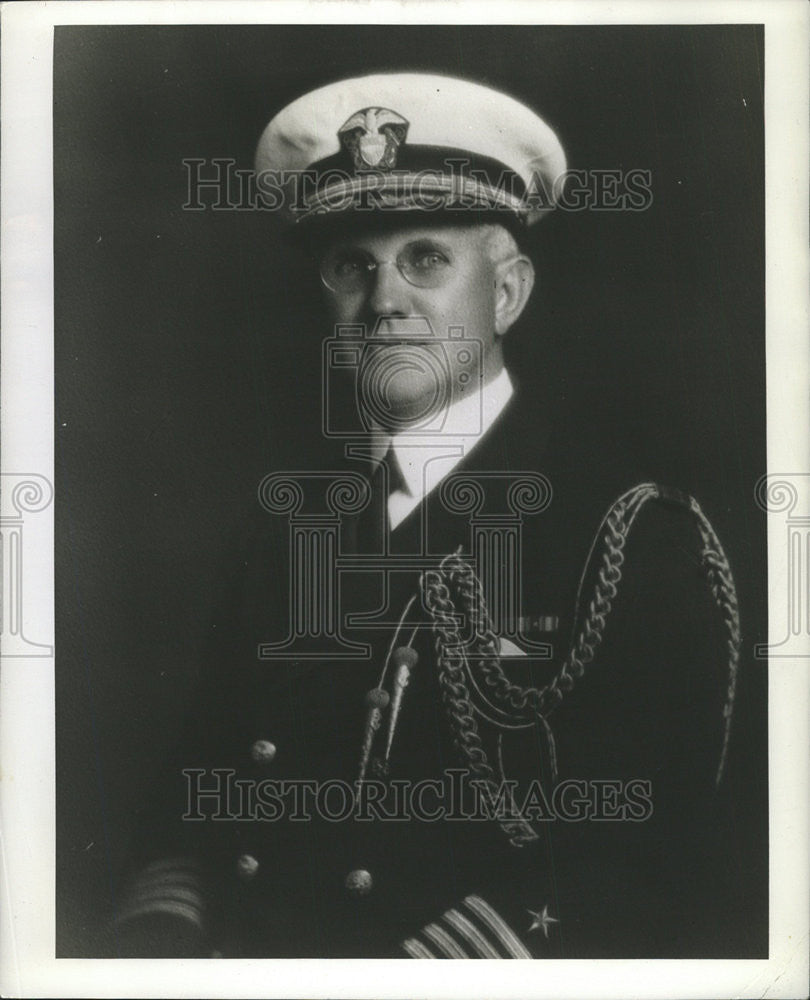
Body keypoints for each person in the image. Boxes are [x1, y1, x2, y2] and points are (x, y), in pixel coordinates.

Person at [110, 72, 748, 959]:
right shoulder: (289, 520)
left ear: (510, 292)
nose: (384, 303)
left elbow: (640, 853)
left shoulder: (629, 533)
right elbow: (197, 786)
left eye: (427, 259)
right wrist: (157, 948)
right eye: (352, 267)